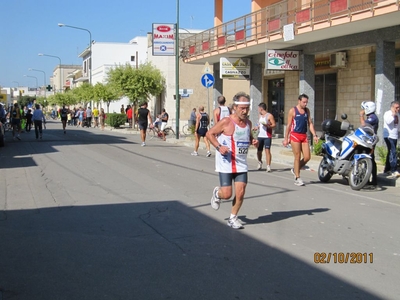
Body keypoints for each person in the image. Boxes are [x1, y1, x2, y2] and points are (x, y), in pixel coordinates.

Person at [206, 92, 259, 229]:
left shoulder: (248, 123)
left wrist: (253, 141)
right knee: (227, 194)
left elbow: (249, 136)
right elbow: (209, 133)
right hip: (226, 162)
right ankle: (218, 193)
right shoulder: (226, 121)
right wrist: (219, 147)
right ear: (235, 107)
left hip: (241, 163)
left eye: (246, 108)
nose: (245, 111)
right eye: (242, 108)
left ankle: (233, 218)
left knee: (241, 191)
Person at [283, 94, 319, 186]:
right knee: (297, 156)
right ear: (299, 101)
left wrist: (315, 135)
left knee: (307, 157)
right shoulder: (293, 111)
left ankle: (295, 169)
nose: (305, 104)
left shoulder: (307, 111)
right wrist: (286, 138)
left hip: (304, 135)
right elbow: (289, 125)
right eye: (304, 102)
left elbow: (310, 123)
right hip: (295, 135)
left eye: (306, 102)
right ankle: (297, 177)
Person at [359, 101, 379, 188]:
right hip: (366, 140)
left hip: (370, 141)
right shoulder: (371, 116)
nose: (363, 110)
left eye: (365, 109)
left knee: (370, 159)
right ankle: (366, 178)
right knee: (366, 158)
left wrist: (361, 115)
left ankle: (373, 179)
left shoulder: (373, 117)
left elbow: (363, 125)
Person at [255, 102, 276, 172]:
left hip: (267, 136)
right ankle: (259, 162)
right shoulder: (259, 116)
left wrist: (268, 126)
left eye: (258, 108)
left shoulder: (269, 116)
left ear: (261, 108)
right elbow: (259, 124)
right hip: (260, 135)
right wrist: (257, 127)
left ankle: (268, 166)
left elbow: (274, 125)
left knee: (267, 150)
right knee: (259, 151)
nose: (258, 109)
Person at [383, 100, 400, 177]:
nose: (398, 109)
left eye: (399, 107)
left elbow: (398, 126)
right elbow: (388, 121)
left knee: (390, 152)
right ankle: (394, 170)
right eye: (396, 107)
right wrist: (393, 114)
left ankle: (387, 169)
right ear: (392, 107)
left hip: (395, 135)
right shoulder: (388, 114)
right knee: (393, 151)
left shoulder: (398, 115)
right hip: (388, 136)